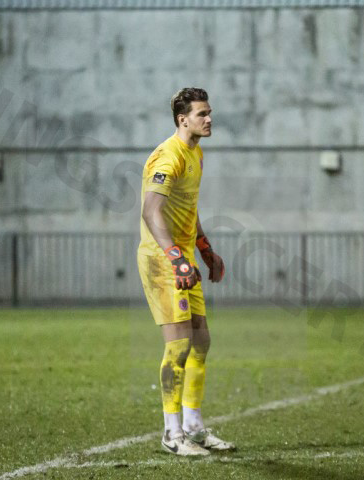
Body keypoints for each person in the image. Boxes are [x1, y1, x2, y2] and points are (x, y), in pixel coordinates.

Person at [137, 87, 235, 456]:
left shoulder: (196, 153)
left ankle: (193, 427)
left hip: (183, 258)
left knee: (201, 342)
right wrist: (178, 258)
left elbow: (187, 212)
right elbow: (151, 211)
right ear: (183, 120)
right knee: (178, 345)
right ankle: (171, 433)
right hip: (162, 259)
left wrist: (205, 250)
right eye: (202, 114)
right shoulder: (168, 156)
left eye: (210, 112)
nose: (209, 119)